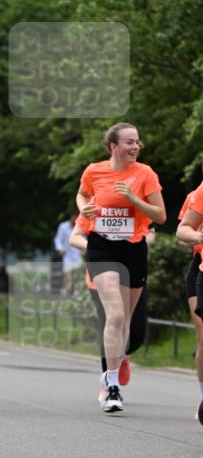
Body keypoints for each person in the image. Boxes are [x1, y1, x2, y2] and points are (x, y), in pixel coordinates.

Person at [69, 122, 166, 413]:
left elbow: (160, 216)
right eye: (129, 142)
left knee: (127, 323)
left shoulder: (145, 174)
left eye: (137, 142)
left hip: (133, 249)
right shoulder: (94, 171)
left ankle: (116, 366)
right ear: (114, 147)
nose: (135, 147)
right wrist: (84, 206)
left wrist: (134, 199)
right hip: (102, 248)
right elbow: (82, 195)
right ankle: (112, 386)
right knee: (116, 315)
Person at [176, 177, 203, 425]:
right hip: (200, 266)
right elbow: (182, 236)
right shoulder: (197, 195)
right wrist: (197, 237)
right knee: (202, 335)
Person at [53, 214, 82, 292]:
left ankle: (77, 291)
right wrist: (60, 249)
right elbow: (58, 239)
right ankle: (67, 290)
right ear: (71, 217)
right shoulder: (63, 226)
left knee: (78, 273)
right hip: (67, 254)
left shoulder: (82, 225)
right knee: (67, 273)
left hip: (78, 253)